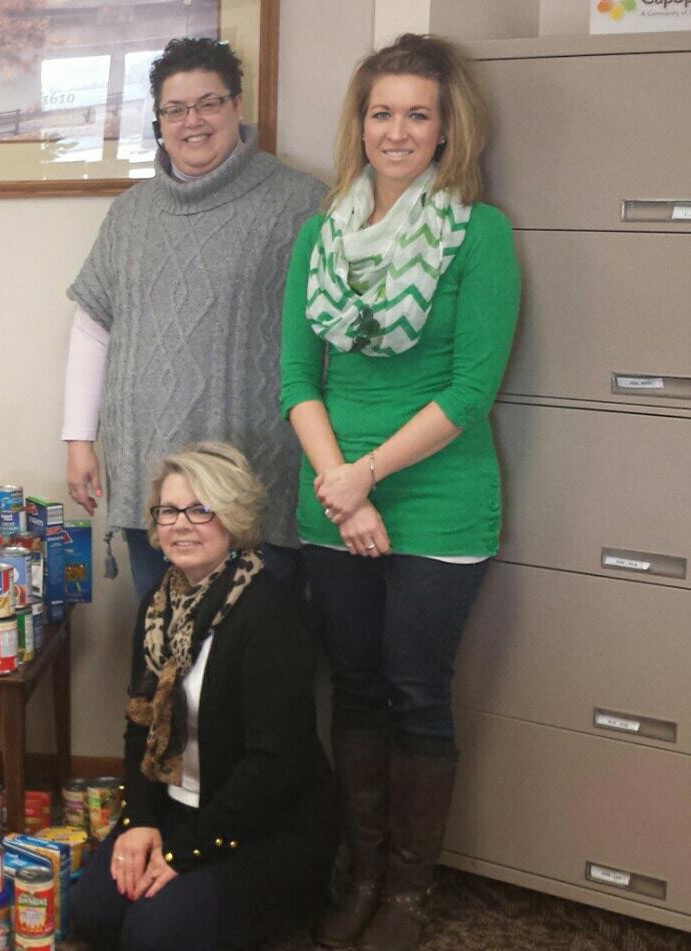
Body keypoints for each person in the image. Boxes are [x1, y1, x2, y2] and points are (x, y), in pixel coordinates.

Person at [280, 34, 520, 951]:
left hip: (439, 499)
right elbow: (297, 377)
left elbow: (470, 390)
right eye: (382, 111)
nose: (398, 130)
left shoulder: (479, 233)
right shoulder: (320, 233)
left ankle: (411, 892)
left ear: (448, 126)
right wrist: (344, 492)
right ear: (360, 121)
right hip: (334, 497)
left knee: (418, 692)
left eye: (419, 113)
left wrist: (364, 478)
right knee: (354, 686)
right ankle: (362, 869)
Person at [63, 36, 327, 601]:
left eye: (209, 103)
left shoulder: (300, 203)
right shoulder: (130, 214)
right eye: (175, 110)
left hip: (257, 477)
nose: (193, 122)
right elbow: (93, 323)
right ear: (158, 121)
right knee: (162, 653)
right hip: (148, 474)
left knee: (257, 662)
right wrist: (79, 440)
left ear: (237, 106)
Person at [71, 443, 334, 950]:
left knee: (150, 937)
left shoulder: (269, 616)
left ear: (233, 519)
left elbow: (272, 765)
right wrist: (142, 822)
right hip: (177, 806)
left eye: (201, 509)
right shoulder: (158, 607)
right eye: (168, 511)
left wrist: (184, 852)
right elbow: (138, 727)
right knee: (94, 911)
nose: (181, 525)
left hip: (261, 824)